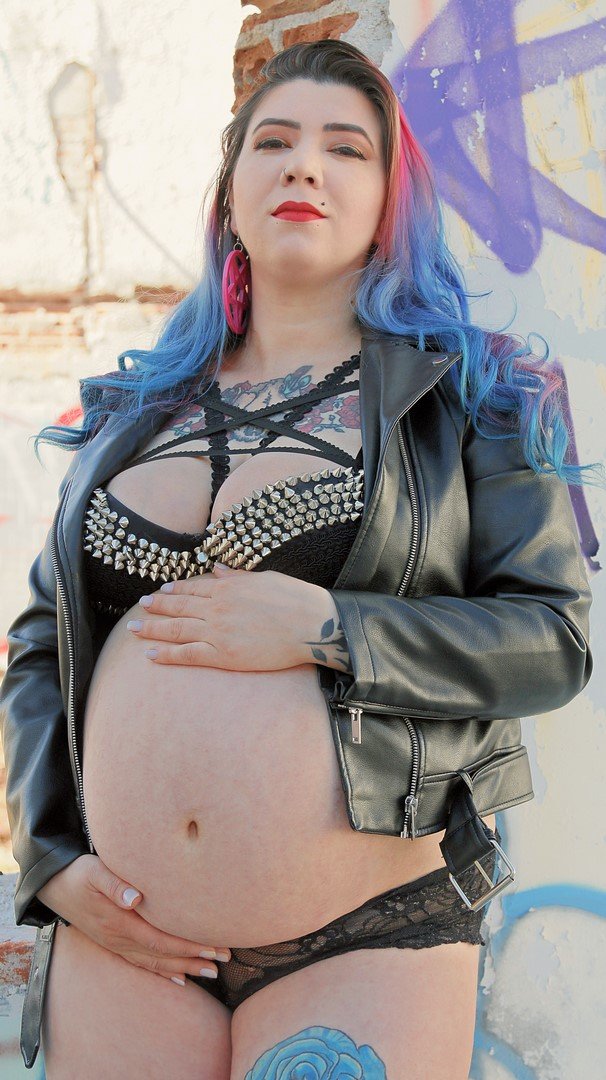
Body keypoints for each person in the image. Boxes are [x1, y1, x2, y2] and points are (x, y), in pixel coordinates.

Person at [0, 39, 596, 1080]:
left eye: (345, 149)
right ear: (230, 194)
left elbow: (551, 639)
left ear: (390, 202)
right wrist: (48, 857)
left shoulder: (475, 398)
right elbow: (42, 646)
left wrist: (330, 628)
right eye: (272, 142)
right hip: (125, 939)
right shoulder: (130, 416)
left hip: (367, 932)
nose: (304, 166)